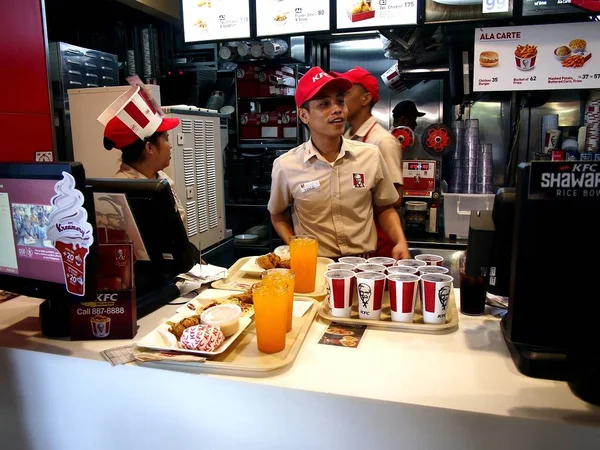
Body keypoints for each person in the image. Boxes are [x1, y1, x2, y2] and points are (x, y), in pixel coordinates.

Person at [267, 67, 410, 260]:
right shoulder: (286, 165)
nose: (337, 109)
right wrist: (297, 247)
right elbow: (277, 215)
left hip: (364, 267)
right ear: (303, 115)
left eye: (340, 101)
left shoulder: (370, 155)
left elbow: (384, 207)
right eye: (324, 103)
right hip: (317, 267)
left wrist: (400, 241)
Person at [333, 67, 404, 258]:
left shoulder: (382, 141)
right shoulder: (346, 137)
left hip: (377, 240)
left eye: (345, 94)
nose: (339, 101)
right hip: (353, 239)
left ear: (365, 98)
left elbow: (396, 197)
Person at [99, 89, 185, 225]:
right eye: (166, 139)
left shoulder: (160, 177)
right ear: (149, 148)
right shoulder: (123, 194)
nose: (170, 146)